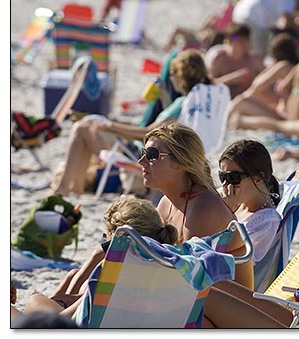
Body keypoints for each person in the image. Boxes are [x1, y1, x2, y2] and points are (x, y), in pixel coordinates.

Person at [53, 49, 211, 195]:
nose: (170, 78)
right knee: (87, 128)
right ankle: (75, 188)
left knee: (83, 127)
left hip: (140, 154)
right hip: (151, 152)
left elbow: (149, 134)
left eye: (173, 73)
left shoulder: (182, 102)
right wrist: (164, 98)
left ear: (181, 76)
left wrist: (111, 126)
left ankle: (64, 188)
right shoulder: (194, 102)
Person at [14, 195, 178, 319]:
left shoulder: (110, 279)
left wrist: (94, 259)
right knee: (73, 276)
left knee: (35, 300)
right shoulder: (169, 272)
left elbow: (63, 321)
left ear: (117, 242)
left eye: (105, 240)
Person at [140, 123, 254, 288]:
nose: (141, 161)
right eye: (143, 153)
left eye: (152, 155)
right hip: (200, 299)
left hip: (225, 306)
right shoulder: (167, 203)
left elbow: (189, 281)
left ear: (179, 163)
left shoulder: (203, 209)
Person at [218, 140, 281, 264]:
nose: (226, 185)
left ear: (258, 178)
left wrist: (226, 214)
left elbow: (238, 264)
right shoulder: (234, 199)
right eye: (222, 177)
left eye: (233, 178)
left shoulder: (267, 222)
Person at [227, 33, 299, 125]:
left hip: (285, 118)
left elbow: (257, 85)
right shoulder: (297, 67)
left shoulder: (283, 66)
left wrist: (271, 67)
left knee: (240, 102)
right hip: (288, 114)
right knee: (244, 100)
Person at [163, 0, 248, 52]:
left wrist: (207, 29)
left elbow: (228, 33)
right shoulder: (236, 14)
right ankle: (167, 48)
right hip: (204, 37)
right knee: (179, 31)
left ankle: (166, 49)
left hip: (204, 41)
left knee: (178, 30)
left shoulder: (232, 12)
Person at [232, 0, 299, 56]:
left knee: (238, 44)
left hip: (238, 14)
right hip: (255, 20)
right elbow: (288, 22)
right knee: (258, 53)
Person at [204, 23, 264, 98]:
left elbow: (268, 82)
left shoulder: (255, 60)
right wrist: (232, 79)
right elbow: (209, 85)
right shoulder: (220, 58)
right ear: (230, 41)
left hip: (249, 100)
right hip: (223, 101)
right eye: (240, 40)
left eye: (246, 39)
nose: (244, 43)